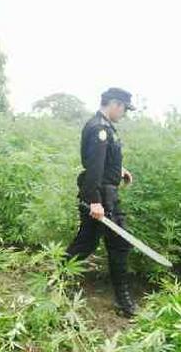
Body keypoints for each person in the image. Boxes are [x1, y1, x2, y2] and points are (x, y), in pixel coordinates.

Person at [66, 87, 137, 318]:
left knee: (87, 243)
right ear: (115, 104)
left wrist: (119, 171)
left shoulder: (104, 126)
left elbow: (102, 161)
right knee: (116, 243)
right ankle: (124, 301)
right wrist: (95, 202)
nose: (124, 114)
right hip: (101, 196)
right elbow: (93, 169)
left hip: (105, 192)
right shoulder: (100, 129)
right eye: (124, 109)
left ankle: (57, 275)